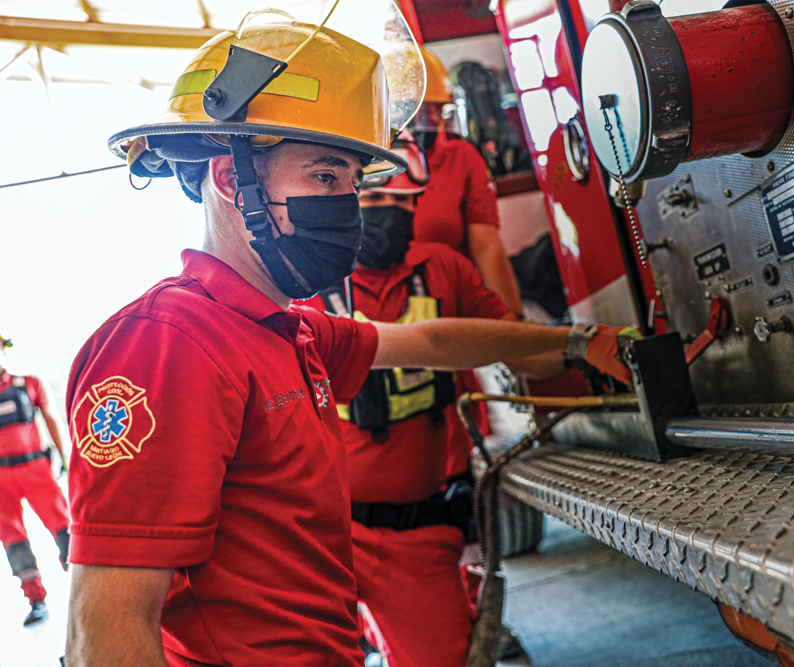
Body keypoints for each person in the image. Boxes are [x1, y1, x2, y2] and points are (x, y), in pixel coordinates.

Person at [64, 16, 633, 667]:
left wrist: (577, 341)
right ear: (230, 182)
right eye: (325, 178)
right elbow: (102, 632)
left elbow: (428, 339)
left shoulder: (285, 330)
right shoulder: (168, 346)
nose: (351, 210)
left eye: (350, 184)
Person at [302, 140, 563, 667]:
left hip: (415, 532)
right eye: (375, 203)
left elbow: (511, 340)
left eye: (401, 204)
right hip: (321, 538)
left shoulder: (443, 269)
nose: (387, 215)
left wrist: (580, 347)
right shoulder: (304, 285)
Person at [411, 47, 523, 318]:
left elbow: (487, 247)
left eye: (439, 110)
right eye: (423, 111)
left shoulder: (460, 157)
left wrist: (515, 324)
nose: (432, 120)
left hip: (456, 310)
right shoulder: (371, 167)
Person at [0, 333, 70, 626]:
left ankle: (87, 589)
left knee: (65, 527)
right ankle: (36, 600)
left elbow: (50, 418)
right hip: (1, 479)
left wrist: (65, 458)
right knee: (13, 539)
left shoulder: (29, 383)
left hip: (35, 468)